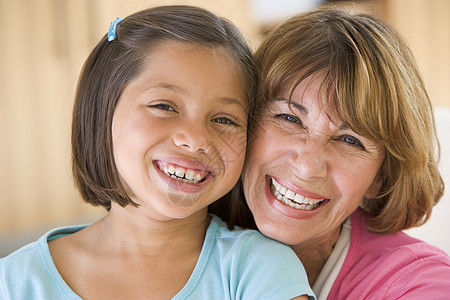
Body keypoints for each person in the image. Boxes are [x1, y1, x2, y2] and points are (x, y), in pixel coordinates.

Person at [0, 6, 315, 300]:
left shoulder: (259, 269)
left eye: (224, 119)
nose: (195, 140)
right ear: (101, 112)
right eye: (164, 106)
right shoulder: (15, 280)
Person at [213, 7, 450, 299]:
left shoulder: (419, 284)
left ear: (381, 177)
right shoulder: (174, 236)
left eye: (350, 140)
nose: (308, 166)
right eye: (289, 118)